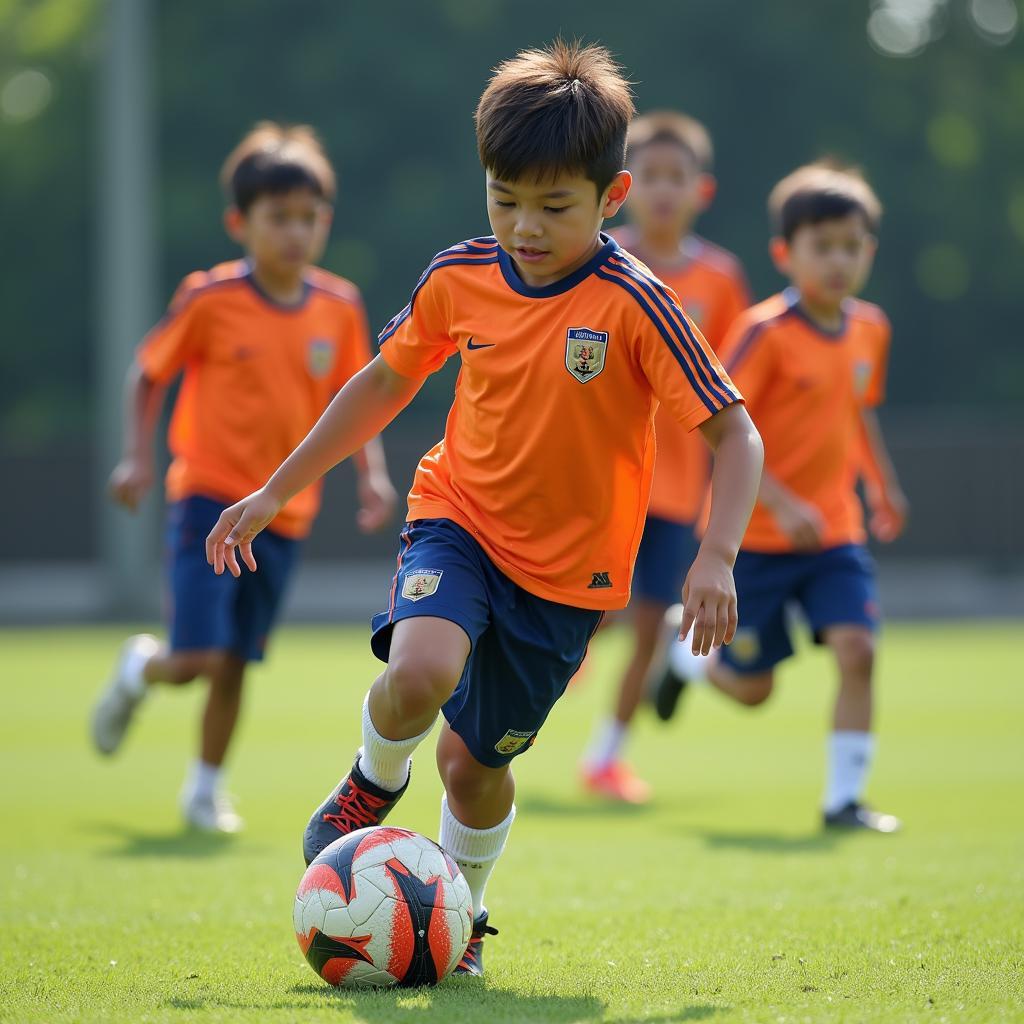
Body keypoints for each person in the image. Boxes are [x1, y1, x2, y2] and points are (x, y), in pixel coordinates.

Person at [205, 42, 763, 975]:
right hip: (457, 514)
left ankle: (460, 915)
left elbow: (734, 432)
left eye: (554, 207)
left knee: (474, 766)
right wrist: (274, 491)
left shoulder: (639, 303)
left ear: (610, 196)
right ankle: (370, 783)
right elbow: (383, 382)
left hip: (571, 578)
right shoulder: (461, 273)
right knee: (422, 665)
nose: (524, 227)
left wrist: (717, 555)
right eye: (504, 200)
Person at [90, 123, 397, 833]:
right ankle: (143, 671)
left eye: (309, 217)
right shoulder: (210, 298)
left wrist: (371, 473)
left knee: (235, 661)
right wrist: (139, 456)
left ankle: (204, 789)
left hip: (284, 514)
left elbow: (361, 395)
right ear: (241, 222)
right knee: (197, 656)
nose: (296, 232)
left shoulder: (338, 305)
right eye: (278, 217)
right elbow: (148, 371)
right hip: (206, 497)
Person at [657, 161, 908, 832]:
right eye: (821, 246)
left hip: (835, 535)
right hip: (758, 543)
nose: (837, 261)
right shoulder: (763, 333)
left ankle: (843, 802)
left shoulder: (870, 330)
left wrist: (882, 486)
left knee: (860, 649)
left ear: (869, 252)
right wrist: (782, 501)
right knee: (753, 690)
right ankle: (683, 656)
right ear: (784, 253)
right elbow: (724, 432)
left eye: (850, 247)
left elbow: (859, 413)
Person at [580, 110, 751, 803]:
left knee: (650, 624)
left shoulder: (721, 279)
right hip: (601, 481)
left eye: (676, 177)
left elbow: (736, 393)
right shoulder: (599, 259)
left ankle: (606, 758)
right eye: (649, 175)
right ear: (623, 186)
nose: (662, 190)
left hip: (677, 490)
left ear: (700, 190)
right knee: (586, 608)